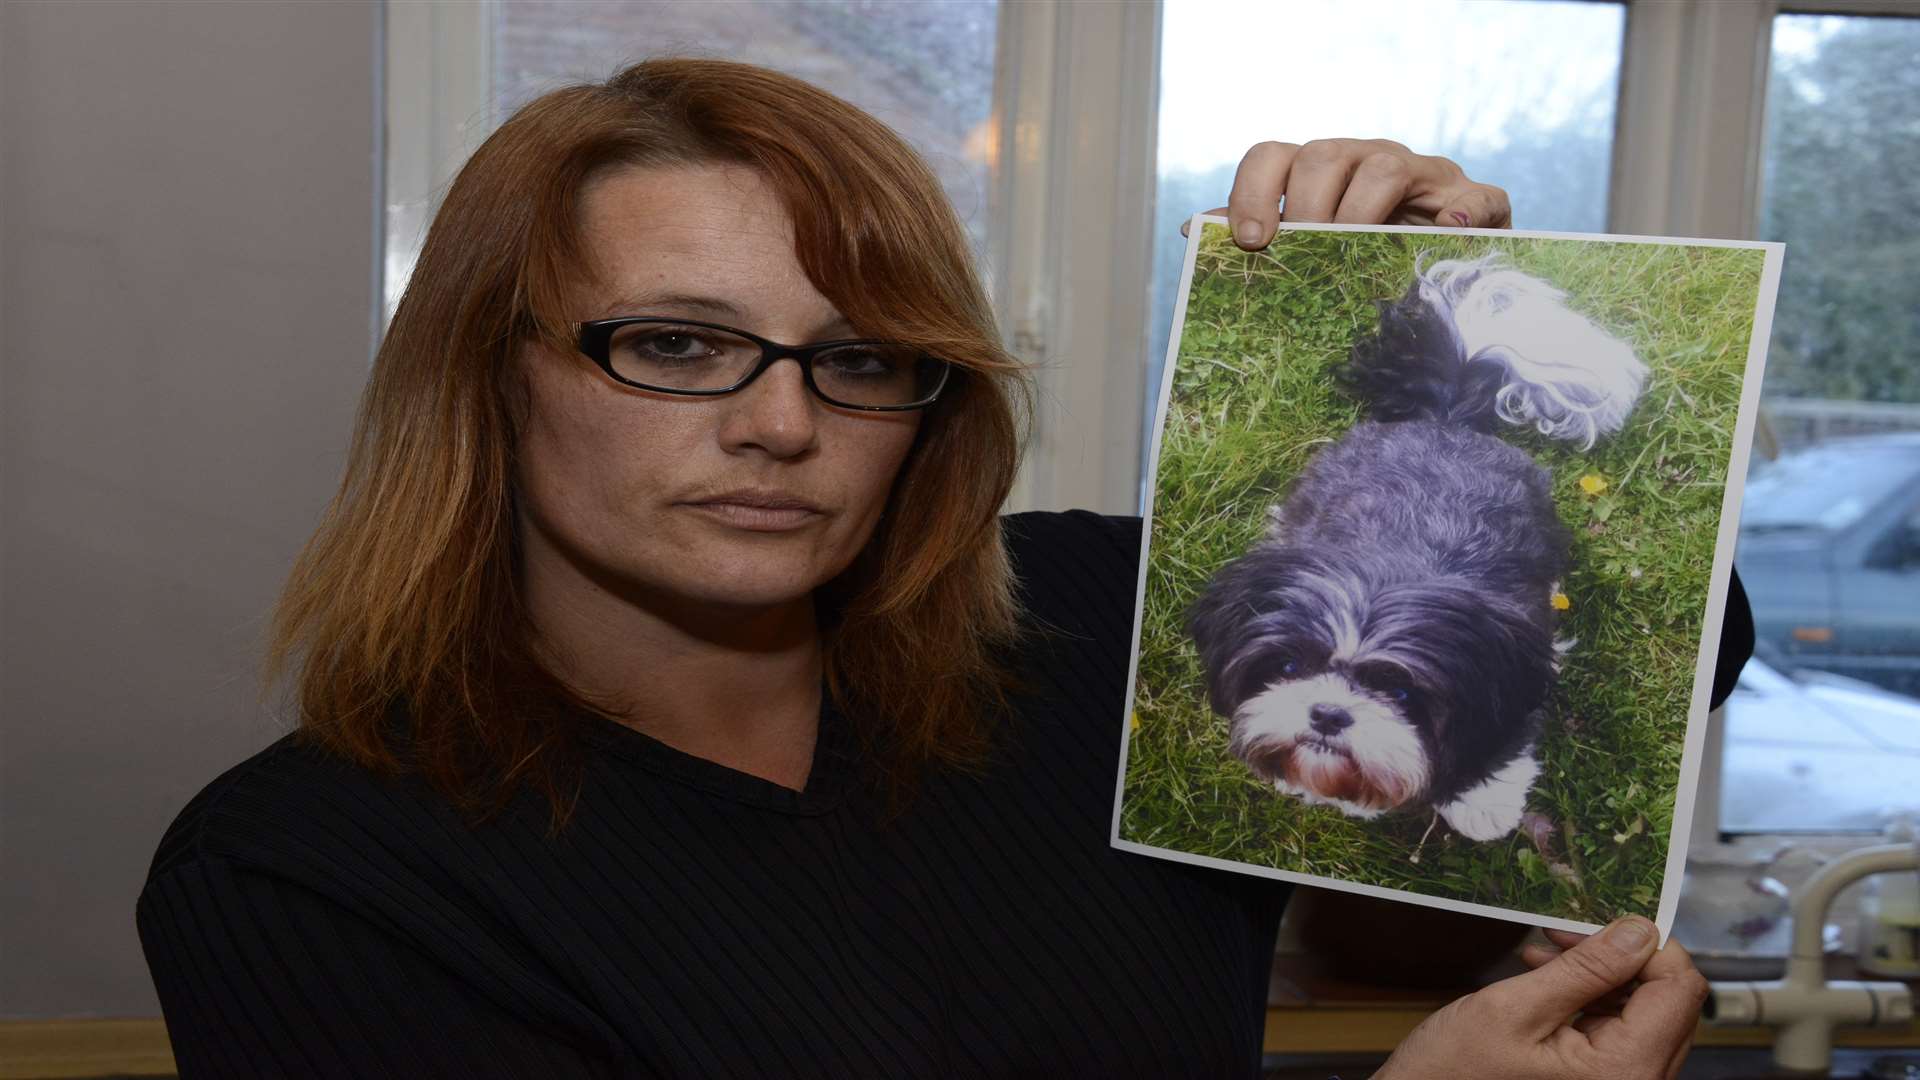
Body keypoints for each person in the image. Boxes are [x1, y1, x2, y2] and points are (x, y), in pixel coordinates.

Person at [137, 58, 1742, 1079]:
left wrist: (1487, 283)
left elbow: (1666, 650)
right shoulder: (309, 878)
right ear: (491, 375)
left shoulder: (1089, 643)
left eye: (859, 359)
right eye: (680, 343)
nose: (781, 424)